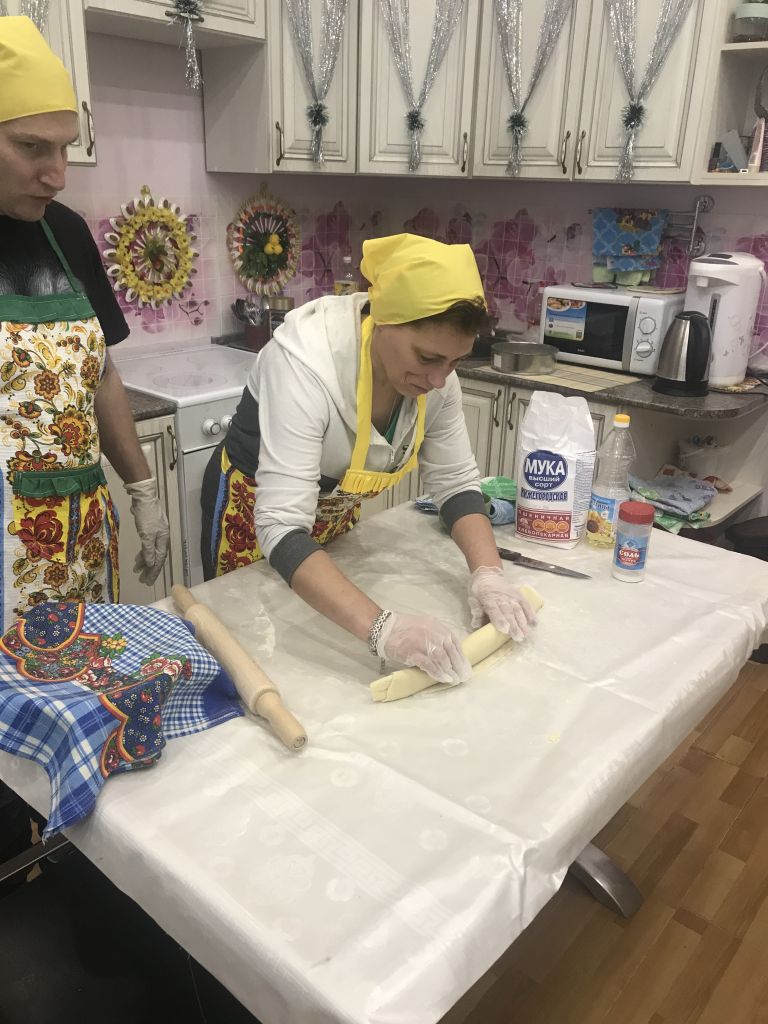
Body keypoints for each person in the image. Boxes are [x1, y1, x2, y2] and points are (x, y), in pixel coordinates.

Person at [201, 233, 536, 684]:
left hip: (332, 513)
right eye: (428, 358)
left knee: (322, 661)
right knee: (260, 656)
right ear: (382, 320)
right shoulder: (304, 364)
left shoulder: (436, 380)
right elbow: (281, 525)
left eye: (455, 362)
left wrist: (488, 573)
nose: (440, 380)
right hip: (251, 513)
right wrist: (383, 629)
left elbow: (456, 483)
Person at [0, 17, 170, 882]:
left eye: (65, 148)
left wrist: (141, 488)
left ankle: (80, 864)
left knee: (80, 701)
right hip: (4, 549)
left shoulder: (66, 232)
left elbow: (101, 373)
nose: (57, 172)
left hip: (81, 534)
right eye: (33, 148)